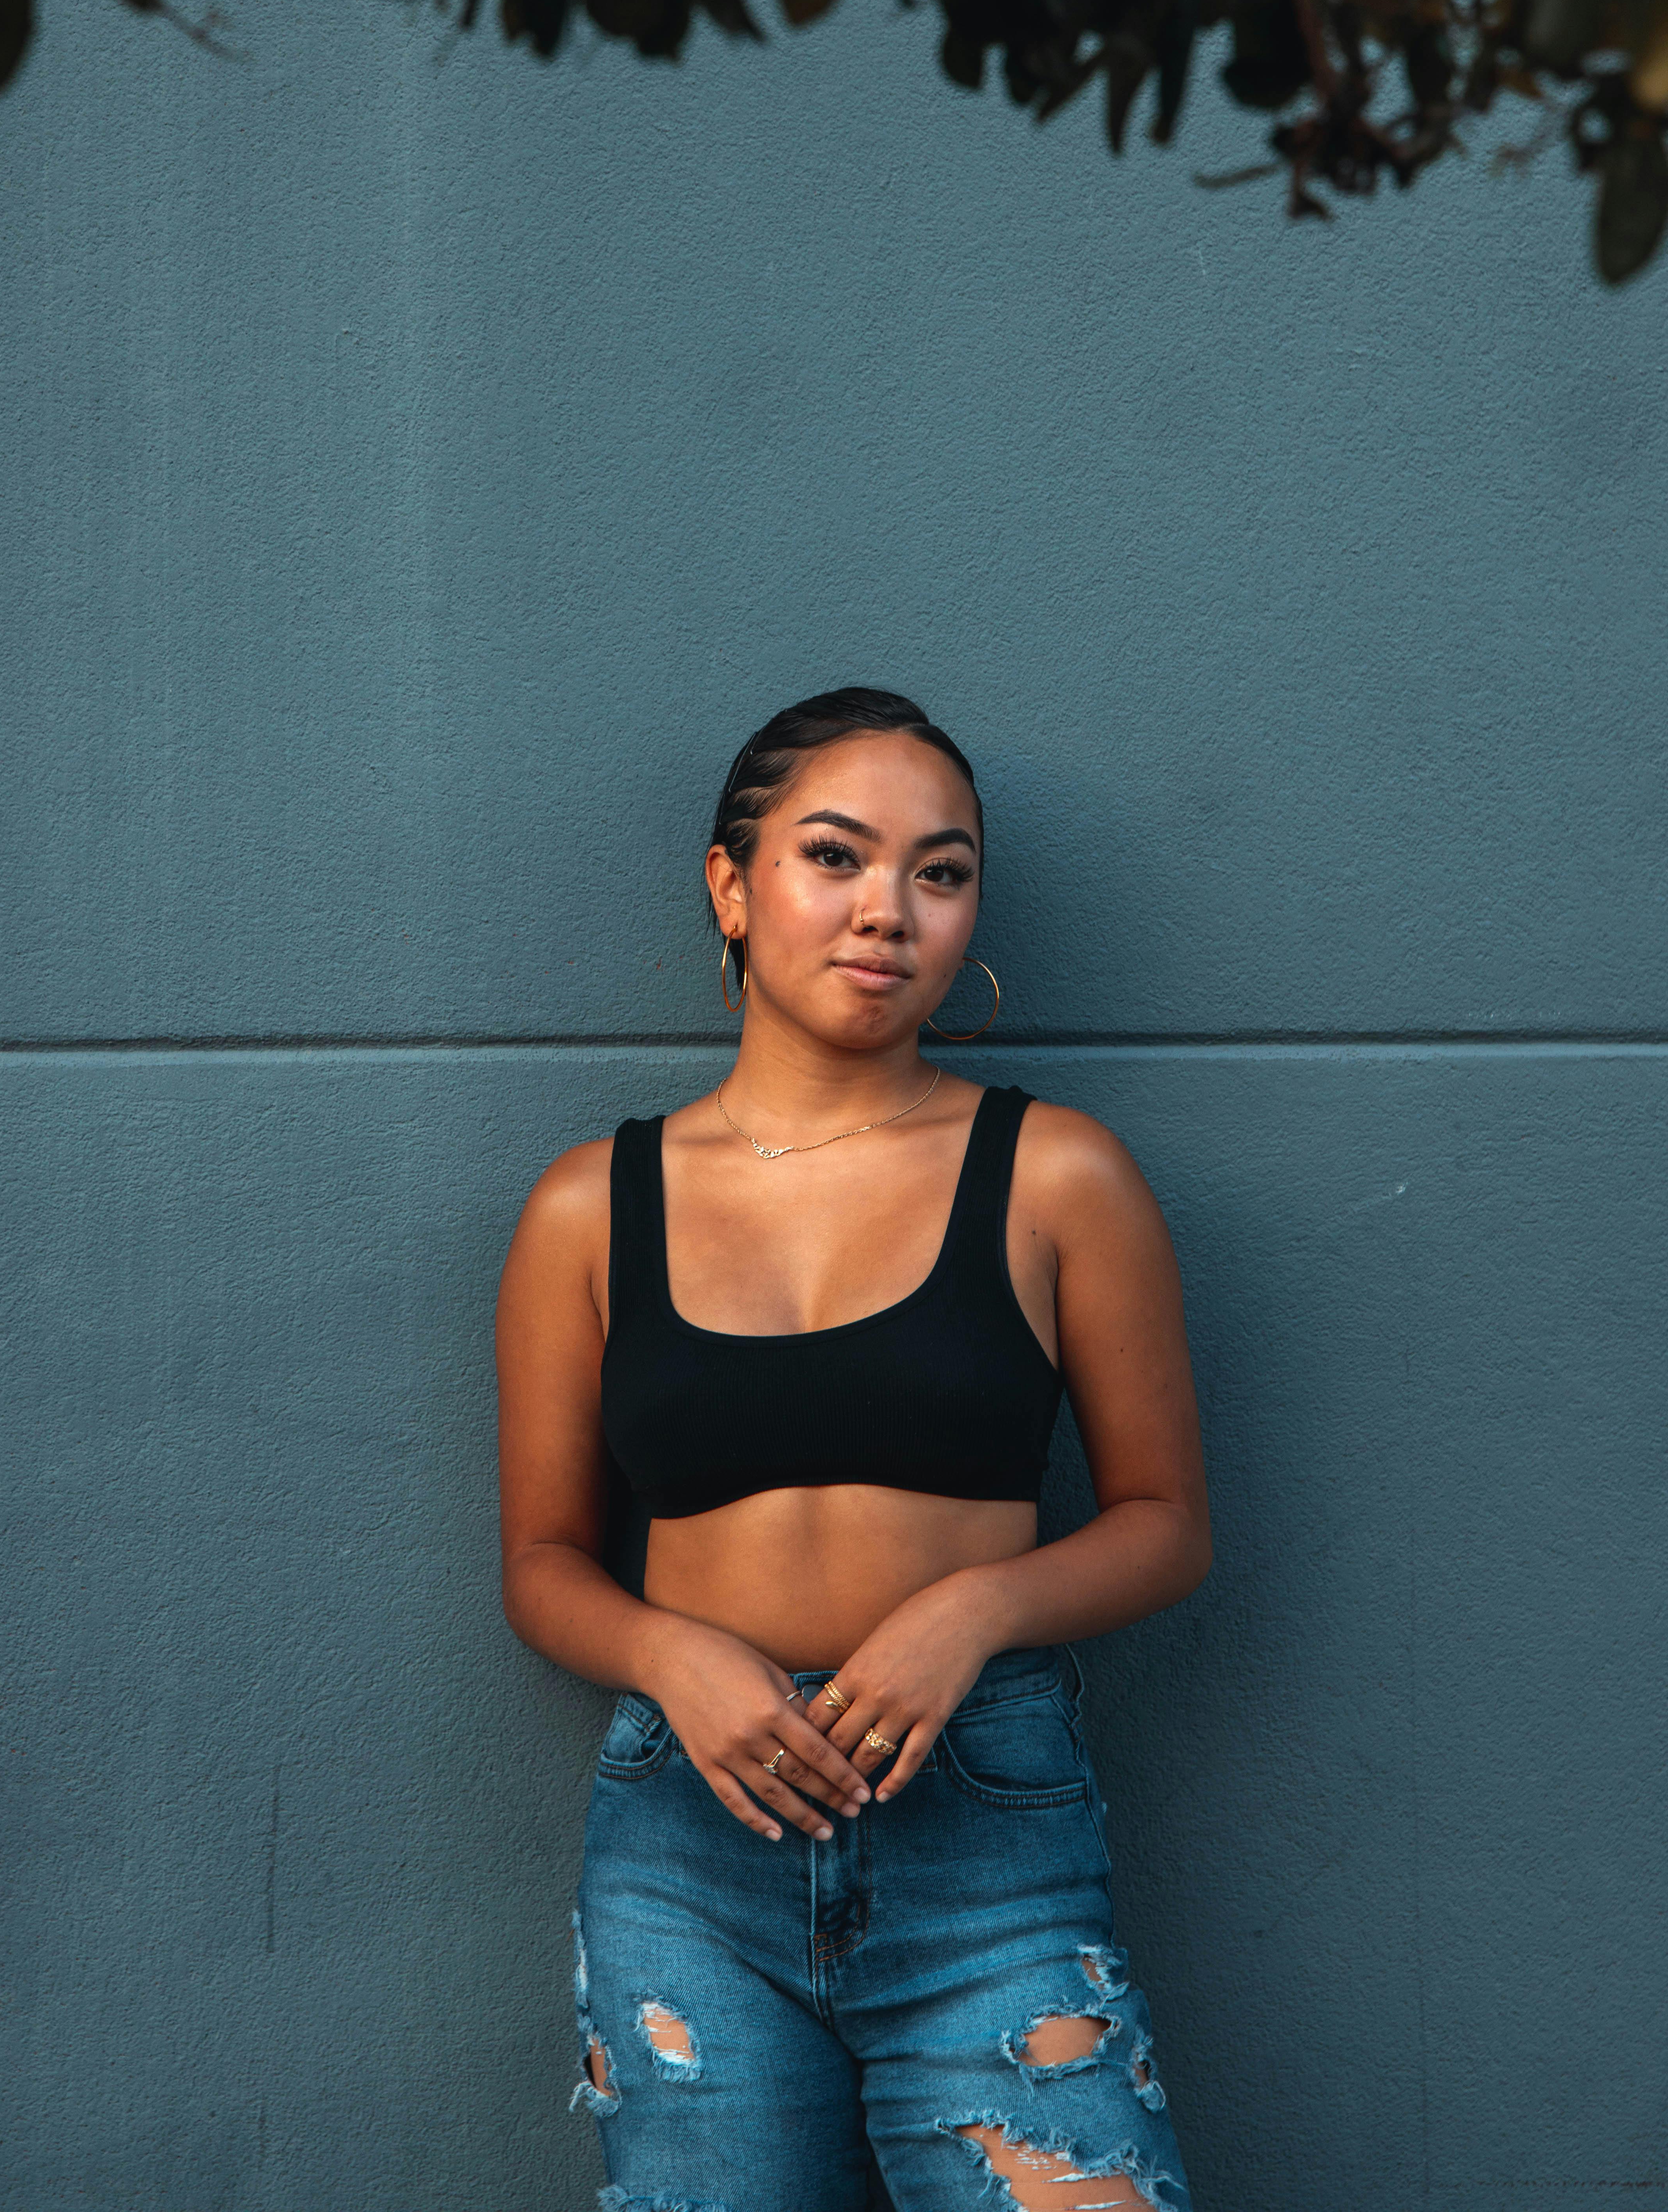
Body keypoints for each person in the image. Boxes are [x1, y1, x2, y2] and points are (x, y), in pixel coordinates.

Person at [495, 688, 1212, 2212]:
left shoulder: (1056, 1174)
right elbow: (546, 1566)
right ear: (731, 886)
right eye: (836, 856)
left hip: (986, 1837)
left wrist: (978, 1608)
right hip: (688, 1843)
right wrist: (674, 1656)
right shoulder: (588, 1206)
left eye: (939, 873)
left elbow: (1164, 1520)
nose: (888, 910)